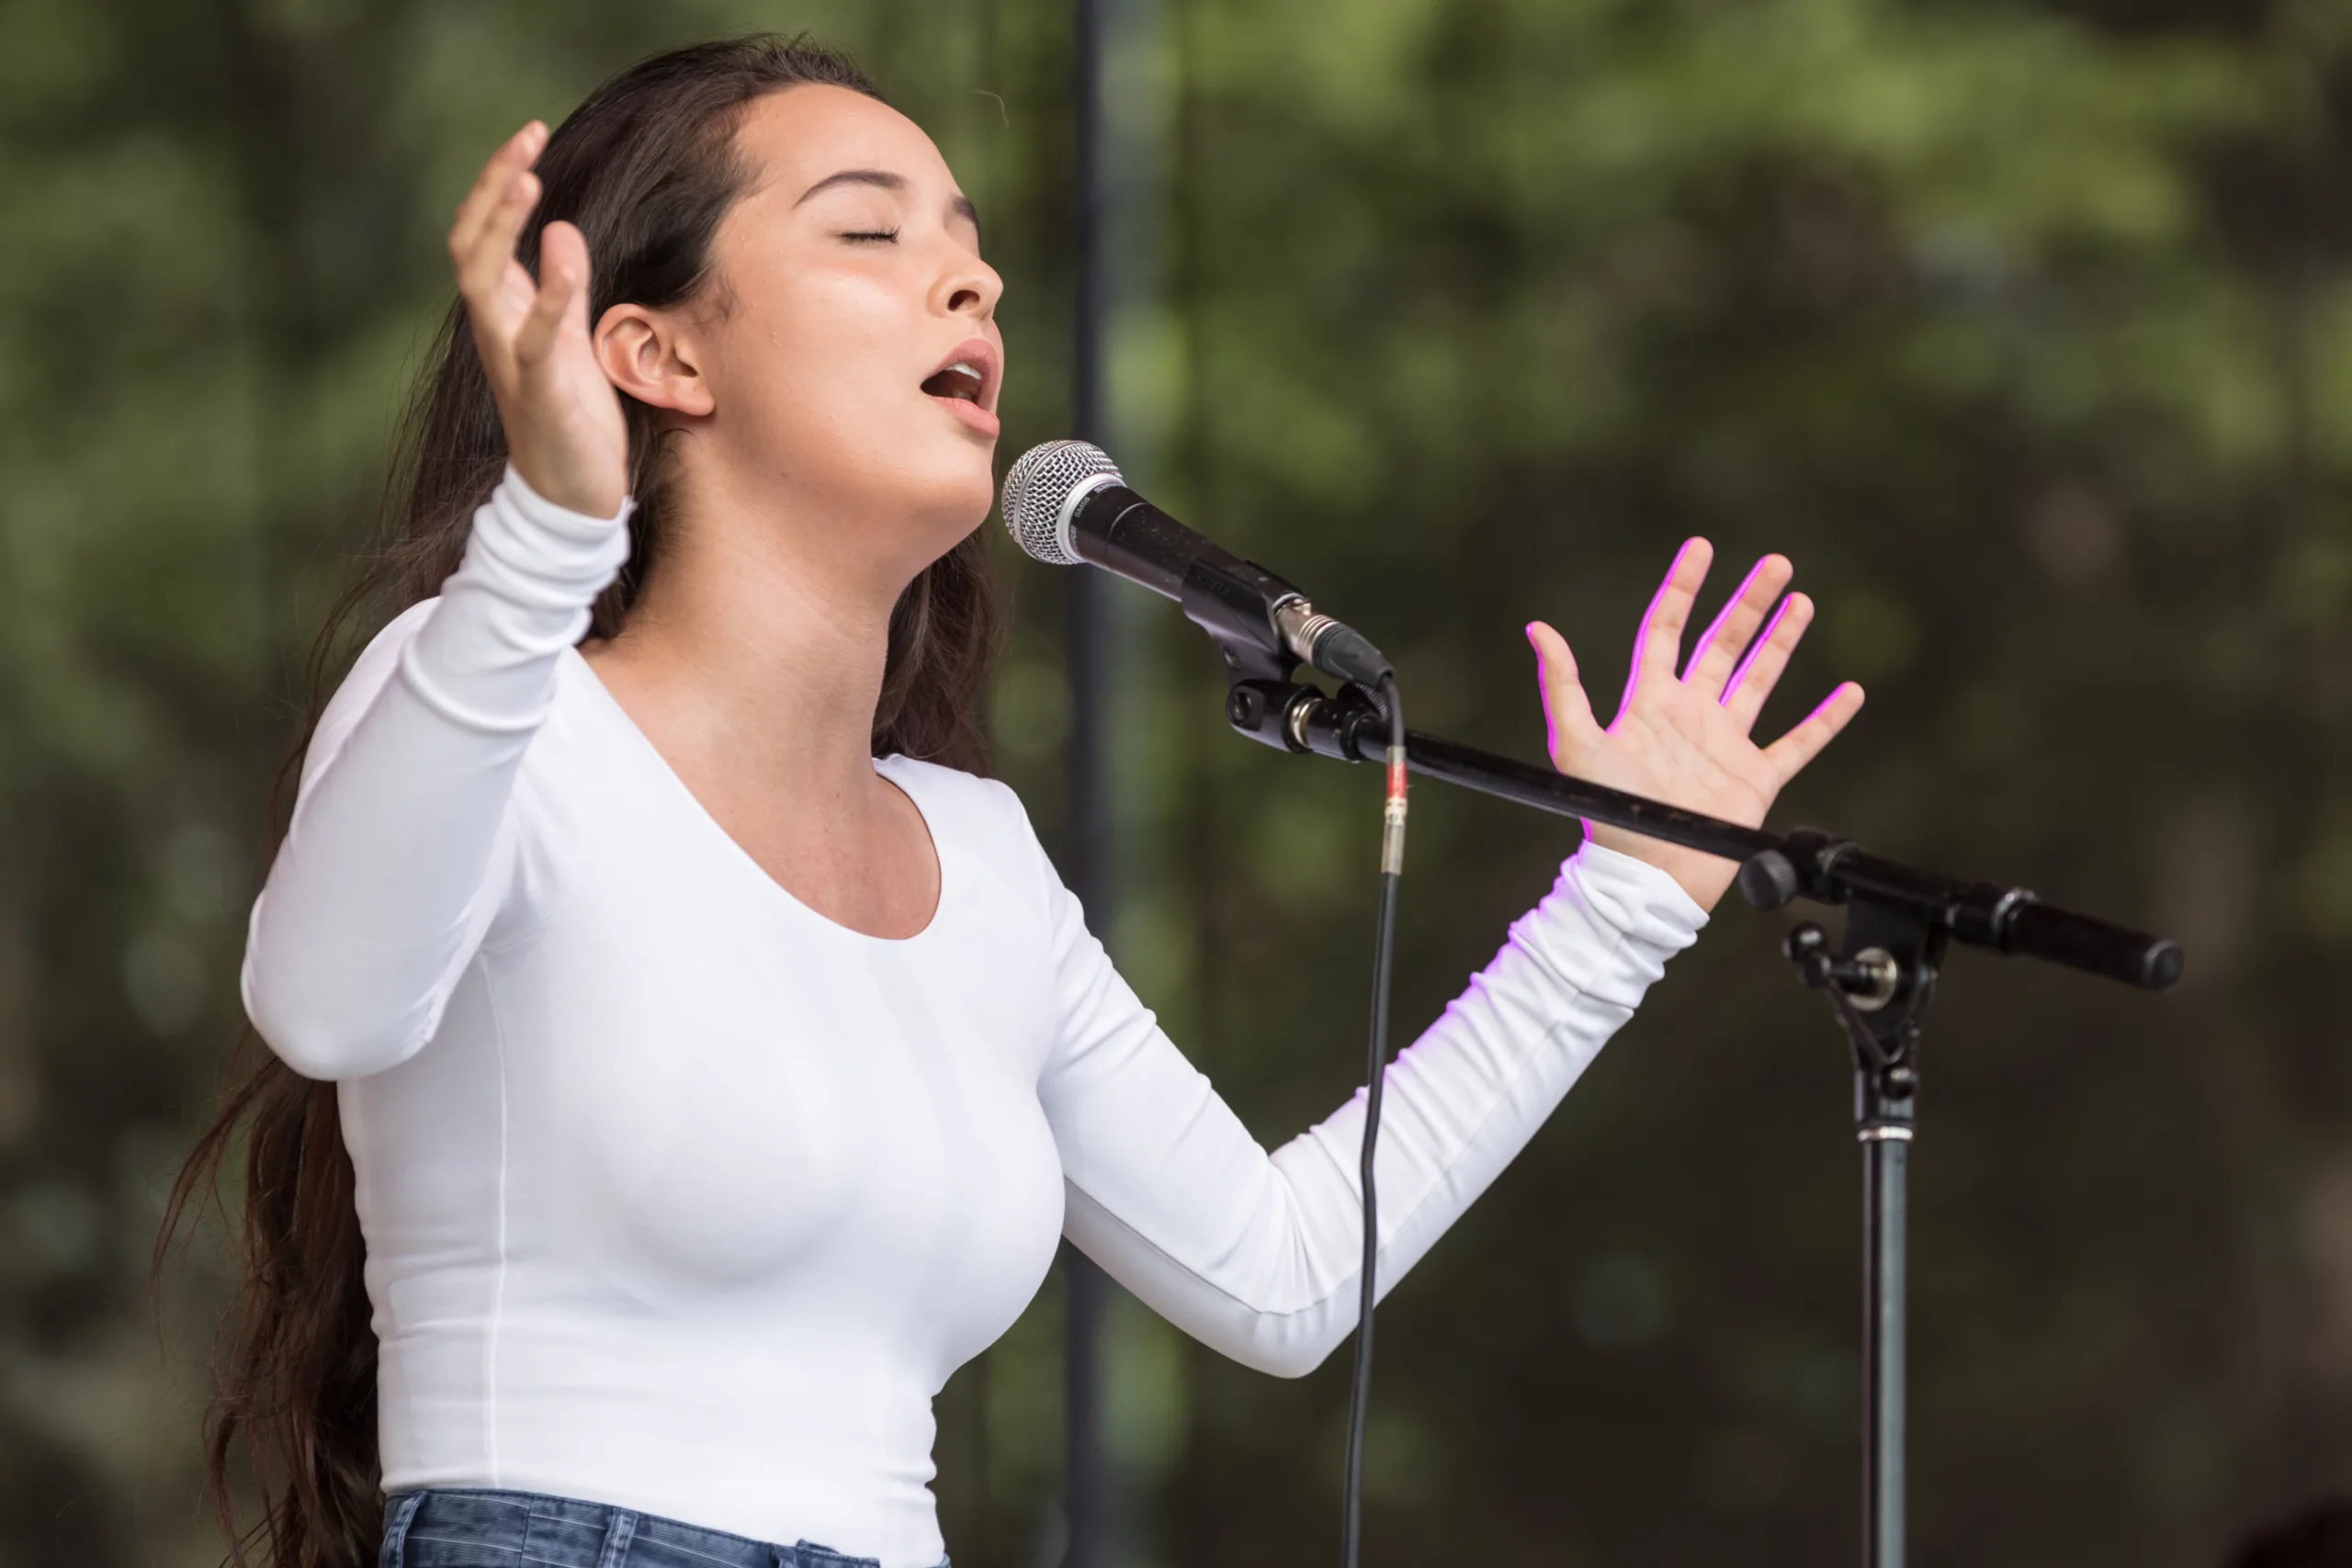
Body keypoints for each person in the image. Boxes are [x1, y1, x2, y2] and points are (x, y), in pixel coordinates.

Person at [176, 33, 1864, 1568]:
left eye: (970, 244)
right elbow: (327, 1001)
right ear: (655, 350)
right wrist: (543, 533)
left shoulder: (975, 857)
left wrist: (1624, 898)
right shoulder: (488, 696)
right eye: (870, 231)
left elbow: (1281, 1273)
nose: (970, 280)